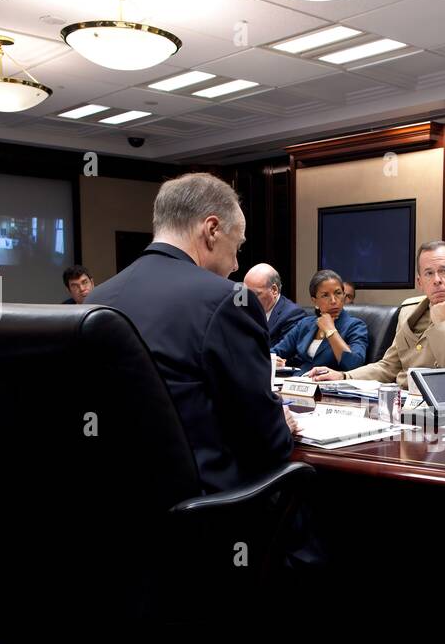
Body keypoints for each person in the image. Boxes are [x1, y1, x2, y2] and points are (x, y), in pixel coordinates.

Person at [88, 173, 295, 493]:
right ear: (212, 230)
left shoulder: (97, 298)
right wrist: (282, 423)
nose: (236, 264)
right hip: (208, 509)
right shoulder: (227, 301)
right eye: (237, 246)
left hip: (115, 500)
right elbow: (266, 442)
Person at [308, 241, 445, 389]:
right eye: (429, 273)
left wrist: (443, 324)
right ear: (420, 281)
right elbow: (388, 367)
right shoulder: (409, 310)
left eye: (444, 271)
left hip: (444, 411)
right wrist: (344, 377)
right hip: (401, 402)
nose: (437, 280)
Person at [272, 269, 368, 373]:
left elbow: (354, 365)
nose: (333, 301)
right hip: (299, 382)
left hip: (328, 385)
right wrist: (273, 359)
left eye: (338, 293)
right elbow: (276, 352)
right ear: (315, 301)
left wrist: (330, 330)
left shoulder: (355, 326)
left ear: (344, 295)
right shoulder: (305, 324)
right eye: (325, 295)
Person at [244, 263, 307, 345]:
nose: (249, 300)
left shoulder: (293, 315)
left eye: (255, 294)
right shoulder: (244, 310)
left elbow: (284, 353)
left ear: (274, 290)